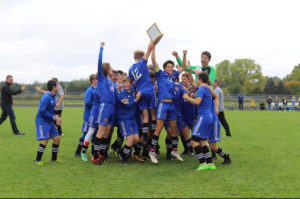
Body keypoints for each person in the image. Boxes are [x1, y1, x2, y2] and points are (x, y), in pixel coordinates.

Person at [148, 47, 186, 164]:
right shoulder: (160, 74)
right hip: (162, 104)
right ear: (164, 68)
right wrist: (153, 47)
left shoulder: (173, 76)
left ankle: (174, 150)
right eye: (168, 66)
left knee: (174, 130)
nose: (170, 68)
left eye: (172, 66)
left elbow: (183, 67)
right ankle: (152, 151)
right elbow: (153, 60)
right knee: (158, 128)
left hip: (172, 106)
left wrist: (183, 55)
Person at [182, 72, 216, 171]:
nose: (196, 80)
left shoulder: (201, 89)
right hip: (209, 117)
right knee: (202, 141)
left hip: (203, 117)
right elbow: (193, 83)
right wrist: (189, 73)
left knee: (193, 141)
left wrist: (187, 97)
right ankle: (210, 163)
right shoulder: (206, 88)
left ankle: (202, 163)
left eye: (197, 78)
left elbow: (197, 102)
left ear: (200, 79)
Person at [128, 40, 155, 158]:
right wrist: (152, 40)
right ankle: (152, 137)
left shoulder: (130, 69)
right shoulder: (142, 64)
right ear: (141, 57)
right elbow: (149, 49)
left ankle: (144, 139)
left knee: (145, 117)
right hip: (149, 90)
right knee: (153, 115)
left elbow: (132, 81)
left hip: (140, 92)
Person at [92, 42, 117, 165]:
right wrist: (101, 48)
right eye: (111, 67)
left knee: (107, 132)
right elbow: (99, 62)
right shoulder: (102, 79)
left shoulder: (112, 82)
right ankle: (95, 156)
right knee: (101, 131)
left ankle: (102, 152)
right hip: (105, 106)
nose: (112, 68)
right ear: (107, 69)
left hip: (112, 107)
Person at [34, 80, 62, 166]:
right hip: (42, 121)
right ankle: (37, 160)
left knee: (57, 139)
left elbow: (50, 110)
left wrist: (56, 119)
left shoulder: (53, 96)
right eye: (57, 86)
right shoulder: (46, 97)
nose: (58, 87)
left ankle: (54, 159)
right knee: (45, 140)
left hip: (49, 121)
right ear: (54, 87)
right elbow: (42, 111)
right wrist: (54, 117)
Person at [117, 77, 142, 164]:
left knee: (136, 139)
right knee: (130, 139)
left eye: (127, 83)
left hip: (132, 119)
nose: (125, 85)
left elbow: (138, 83)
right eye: (124, 83)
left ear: (130, 84)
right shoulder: (121, 94)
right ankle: (124, 157)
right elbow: (127, 105)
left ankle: (121, 151)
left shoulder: (132, 91)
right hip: (124, 119)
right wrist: (136, 99)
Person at [74, 74, 97, 159]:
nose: (97, 80)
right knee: (85, 134)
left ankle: (93, 152)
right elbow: (87, 103)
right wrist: (96, 103)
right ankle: (78, 151)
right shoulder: (89, 91)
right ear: (93, 81)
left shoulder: (97, 90)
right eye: (96, 79)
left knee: (94, 135)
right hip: (88, 117)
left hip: (95, 116)